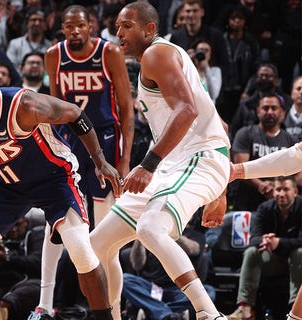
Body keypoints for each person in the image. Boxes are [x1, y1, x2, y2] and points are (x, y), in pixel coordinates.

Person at [0, 49, 122, 320]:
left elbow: (75, 113)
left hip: (54, 181)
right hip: (4, 185)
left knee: (81, 251)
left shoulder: (24, 106)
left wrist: (100, 160)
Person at [89, 3, 231, 320]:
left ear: (149, 29)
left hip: (198, 158)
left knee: (151, 227)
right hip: (178, 164)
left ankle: (210, 315)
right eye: (116, 26)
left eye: (127, 25)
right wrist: (221, 192)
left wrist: (148, 164)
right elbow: (221, 124)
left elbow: (189, 112)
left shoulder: (157, 54)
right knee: (97, 244)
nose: (118, 32)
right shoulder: (166, 58)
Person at [32, 5, 135, 318]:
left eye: (80, 26)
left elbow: (127, 110)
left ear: (90, 27)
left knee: (105, 241)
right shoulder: (54, 55)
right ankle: (44, 306)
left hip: (103, 140)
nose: (74, 32)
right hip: (67, 140)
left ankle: (113, 312)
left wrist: (126, 161)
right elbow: (50, 110)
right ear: (63, 28)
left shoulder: (110, 54)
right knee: (57, 222)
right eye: (69, 27)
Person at [226, 175, 302, 320]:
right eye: (278, 189)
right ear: (273, 192)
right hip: (272, 259)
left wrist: (280, 242)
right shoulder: (264, 208)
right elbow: (253, 238)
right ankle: (245, 310)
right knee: (251, 252)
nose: (281, 193)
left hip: (295, 260)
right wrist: (264, 240)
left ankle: (297, 310)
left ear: (295, 191)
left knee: (300, 253)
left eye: (286, 189)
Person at [231, 93, 295, 211]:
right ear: (257, 111)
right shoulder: (245, 133)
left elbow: (297, 173)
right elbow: (239, 167)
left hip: (279, 203)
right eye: (265, 108)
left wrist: (278, 187)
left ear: (282, 113)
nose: (269, 112)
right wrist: (261, 184)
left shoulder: (290, 139)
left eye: (274, 108)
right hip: (246, 200)